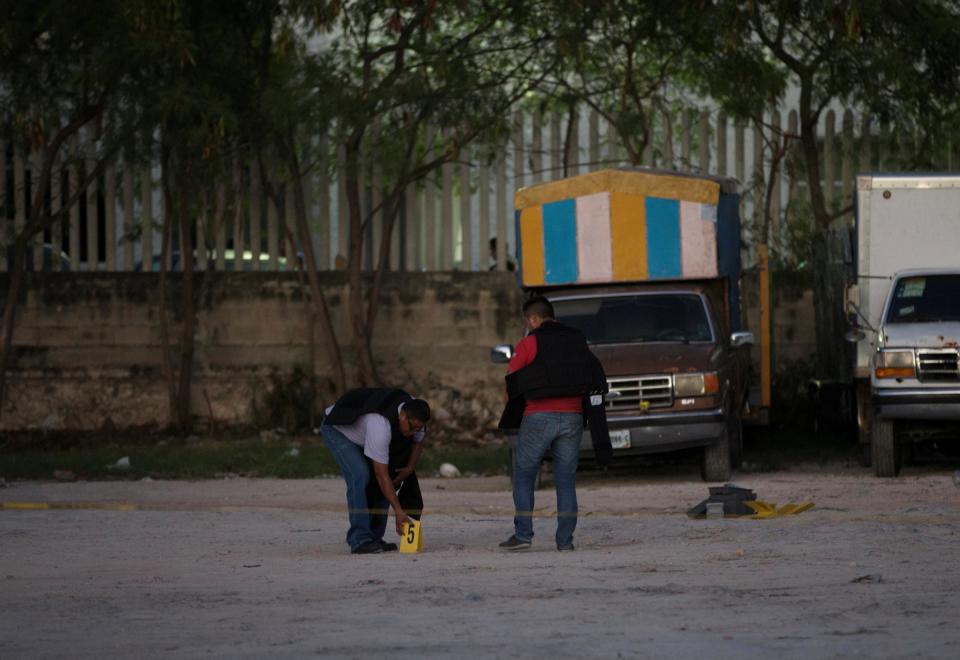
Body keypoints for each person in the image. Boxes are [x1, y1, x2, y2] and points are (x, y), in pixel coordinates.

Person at [497, 295, 610, 552]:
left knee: (524, 476)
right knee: (566, 481)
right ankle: (565, 541)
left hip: (538, 417)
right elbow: (594, 374)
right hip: (573, 418)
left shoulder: (530, 342)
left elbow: (511, 384)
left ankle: (523, 536)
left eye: (529, 320)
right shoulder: (577, 340)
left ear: (533, 319)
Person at [320, 388, 431, 554]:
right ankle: (360, 540)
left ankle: (374, 538)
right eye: (411, 428)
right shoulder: (380, 425)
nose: (413, 433)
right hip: (337, 428)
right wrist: (399, 512)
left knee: (387, 474)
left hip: (363, 431)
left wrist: (409, 468)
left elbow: (418, 440)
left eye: (418, 428)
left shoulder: (414, 411)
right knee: (361, 475)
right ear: (402, 416)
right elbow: (381, 476)